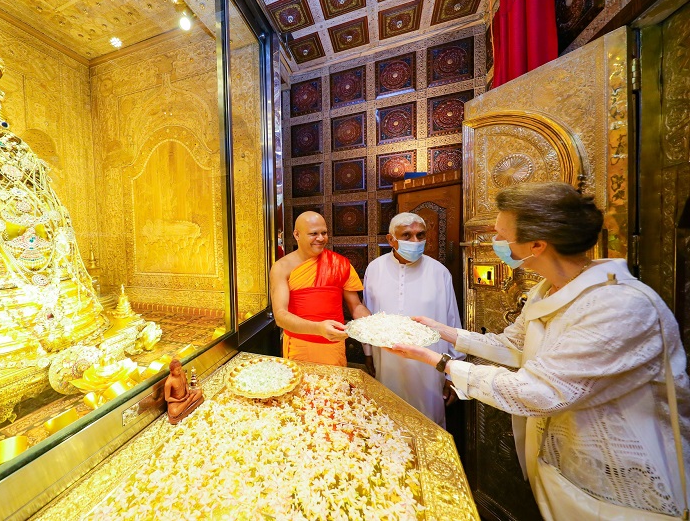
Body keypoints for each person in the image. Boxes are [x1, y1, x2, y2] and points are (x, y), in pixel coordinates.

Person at [389, 182, 690, 519]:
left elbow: (542, 391)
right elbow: (513, 345)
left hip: (624, 485)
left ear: (536, 245)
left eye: (502, 234)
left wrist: (440, 362)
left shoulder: (619, 305)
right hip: (561, 464)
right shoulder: (546, 291)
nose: (495, 241)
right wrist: (441, 331)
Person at [362, 212, 464, 427]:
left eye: (420, 235)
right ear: (391, 239)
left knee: (428, 424)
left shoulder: (439, 272)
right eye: (407, 235)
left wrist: (452, 374)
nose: (415, 241)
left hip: (429, 368)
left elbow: (452, 322)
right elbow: (367, 316)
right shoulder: (375, 269)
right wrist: (368, 354)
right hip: (386, 363)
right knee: (388, 424)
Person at [270, 211, 370, 367]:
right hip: (299, 346)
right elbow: (280, 316)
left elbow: (356, 306)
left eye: (324, 233)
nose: (321, 238)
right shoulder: (281, 267)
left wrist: (376, 326)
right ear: (297, 234)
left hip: (333, 346)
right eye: (313, 234)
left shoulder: (340, 264)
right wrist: (318, 328)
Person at [164, 358, 203, 425]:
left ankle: (186, 403)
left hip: (186, 395)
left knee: (199, 392)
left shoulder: (182, 373)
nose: (179, 371)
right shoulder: (169, 382)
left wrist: (187, 392)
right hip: (176, 401)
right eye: (177, 370)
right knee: (174, 412)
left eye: (180, 368)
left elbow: (185, 383)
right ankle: (189, 401)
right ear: (171, 371)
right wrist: (178, 400)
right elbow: (167, 398)